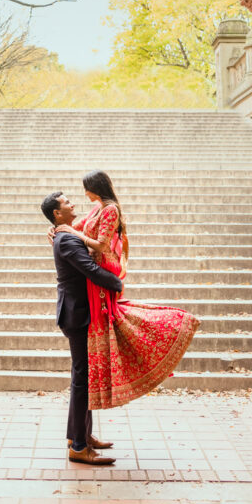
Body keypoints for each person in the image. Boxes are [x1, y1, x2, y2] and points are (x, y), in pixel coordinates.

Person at [51, 170, 200, 410]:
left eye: (86, 188)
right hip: (93, 277)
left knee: (115, 321)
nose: (83, 194)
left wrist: (72, 232)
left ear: (95, 187)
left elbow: (100, 243)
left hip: (104, 270)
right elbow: (72, 227)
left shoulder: (110, 209)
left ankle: (172, 327)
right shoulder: (97, 209)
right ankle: (82, 435)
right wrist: (56, 229)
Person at [41, 190, 123, 466]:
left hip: (77, 313)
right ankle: (78, 445)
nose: (73, 203)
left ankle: (80, 436)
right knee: (81, 379)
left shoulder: (65, 234)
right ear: (56, 213)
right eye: (66, 203)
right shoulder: (66, 240)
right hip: (77, 315)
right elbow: (90, 268)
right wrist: (117, 283)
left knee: (83, 378)